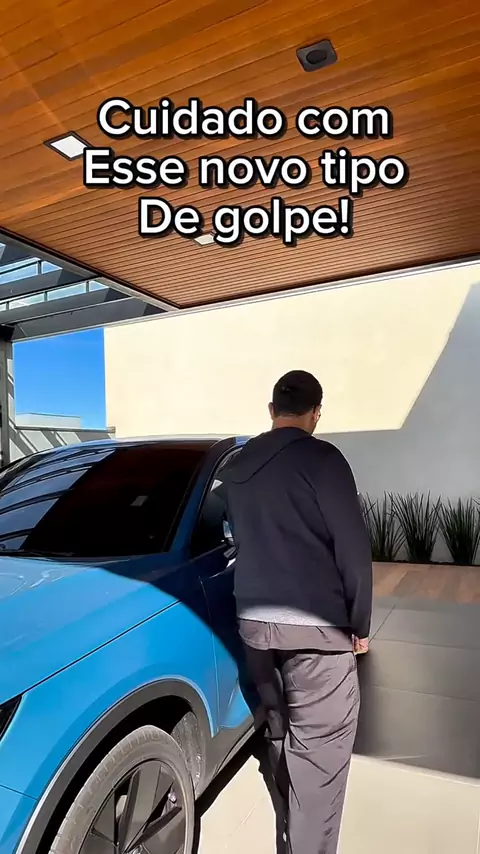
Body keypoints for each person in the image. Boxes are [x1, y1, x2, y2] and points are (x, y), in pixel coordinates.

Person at [215, 370, 372, 854]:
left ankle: (286, 809)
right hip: (315, 633)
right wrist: (359, 624)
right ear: (316, 413)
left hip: (254, 629)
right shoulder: (324, 459)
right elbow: (353, 551)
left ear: (272, 411)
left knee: (279, 728)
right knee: (319, 757)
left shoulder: (236, 465)